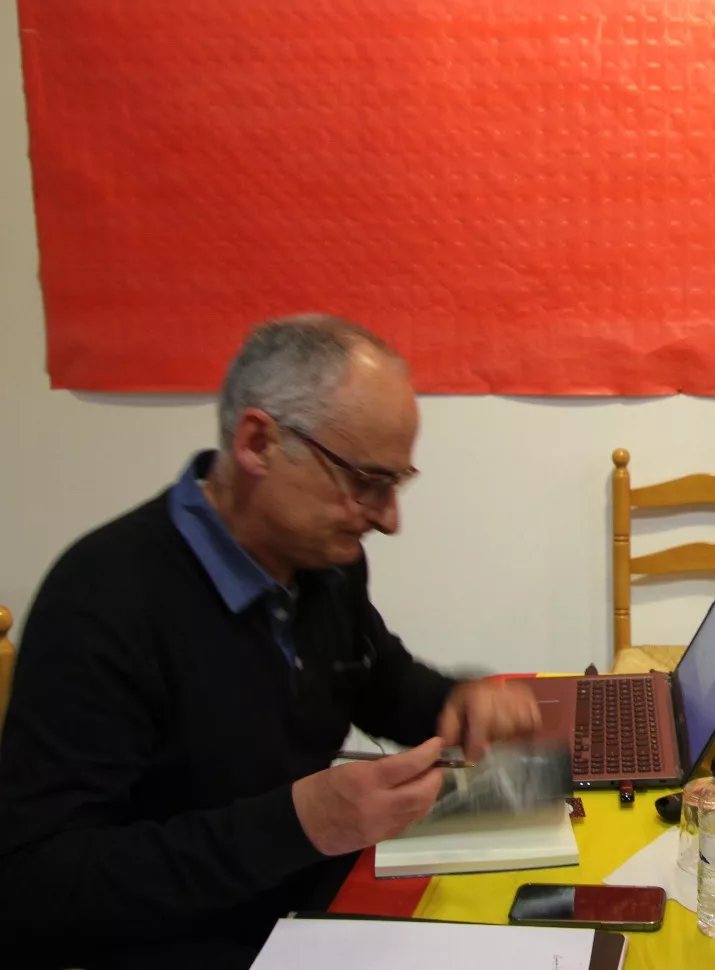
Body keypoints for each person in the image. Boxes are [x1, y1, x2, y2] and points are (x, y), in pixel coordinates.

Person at [0, 315, 545, 969]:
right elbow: (40, 885)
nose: (389, 520)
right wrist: (296, 824)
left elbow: (373, 678)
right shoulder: (104, 599)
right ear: (259, 443)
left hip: (311, 908)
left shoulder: (326, 563)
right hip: (186, 942)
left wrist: (456, 700)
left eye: (395, 484)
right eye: (366, 482)